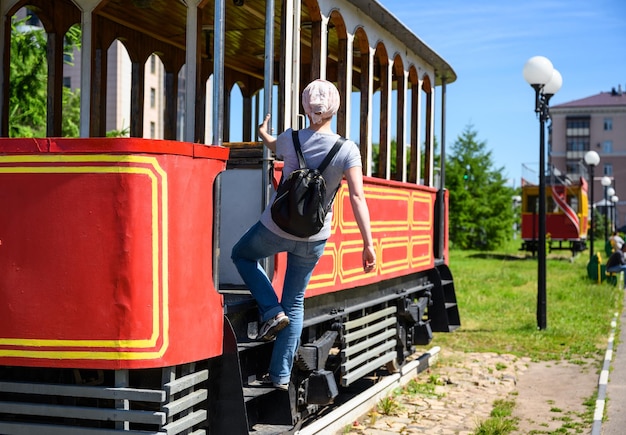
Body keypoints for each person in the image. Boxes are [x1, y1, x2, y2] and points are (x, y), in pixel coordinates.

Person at [231, 79, 376, 390]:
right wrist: (368, 244)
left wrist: (264, 133)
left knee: (242, 255)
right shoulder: (347, 149)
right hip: (314, 236)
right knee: (295, 302)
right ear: (335, 110)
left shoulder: (289, 138)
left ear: (305, 108)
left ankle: (271, 310)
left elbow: (272, 146)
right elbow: (357, 197)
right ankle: (281, 376)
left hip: (276, 227)